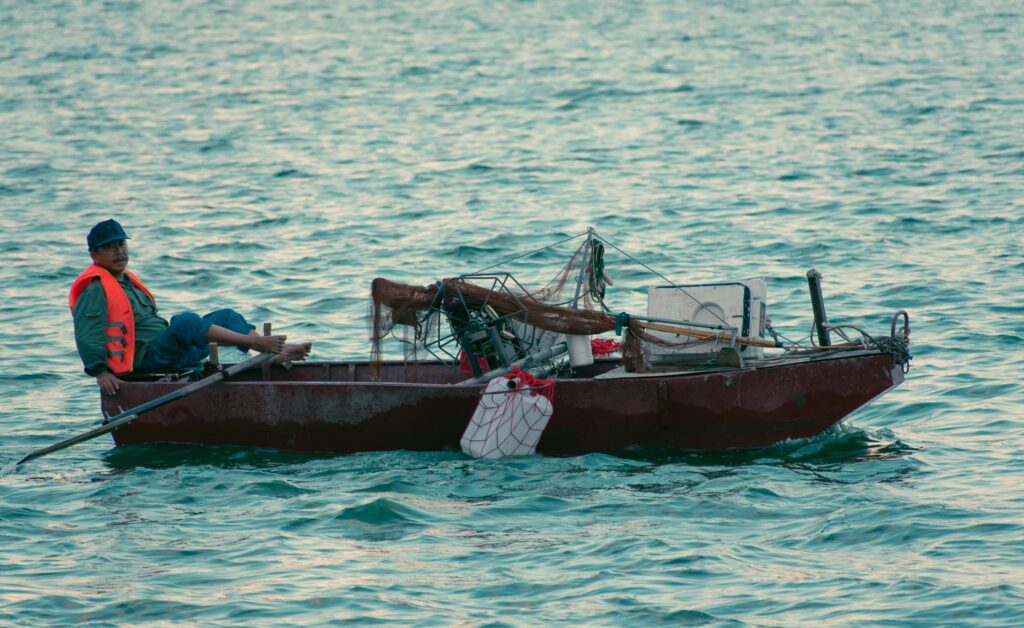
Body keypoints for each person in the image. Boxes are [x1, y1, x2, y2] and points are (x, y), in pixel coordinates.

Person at [71, 219, 311, 395]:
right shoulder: (95, 289)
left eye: (121, 244)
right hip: (145, 360)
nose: (119, 251)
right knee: (185, 321)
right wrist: (100, 372)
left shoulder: (126, 282)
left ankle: (270, 354)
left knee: (225, 316)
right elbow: (87, 333)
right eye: (110, 247)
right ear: (95, 255)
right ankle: (259, 345)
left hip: (170, 354)